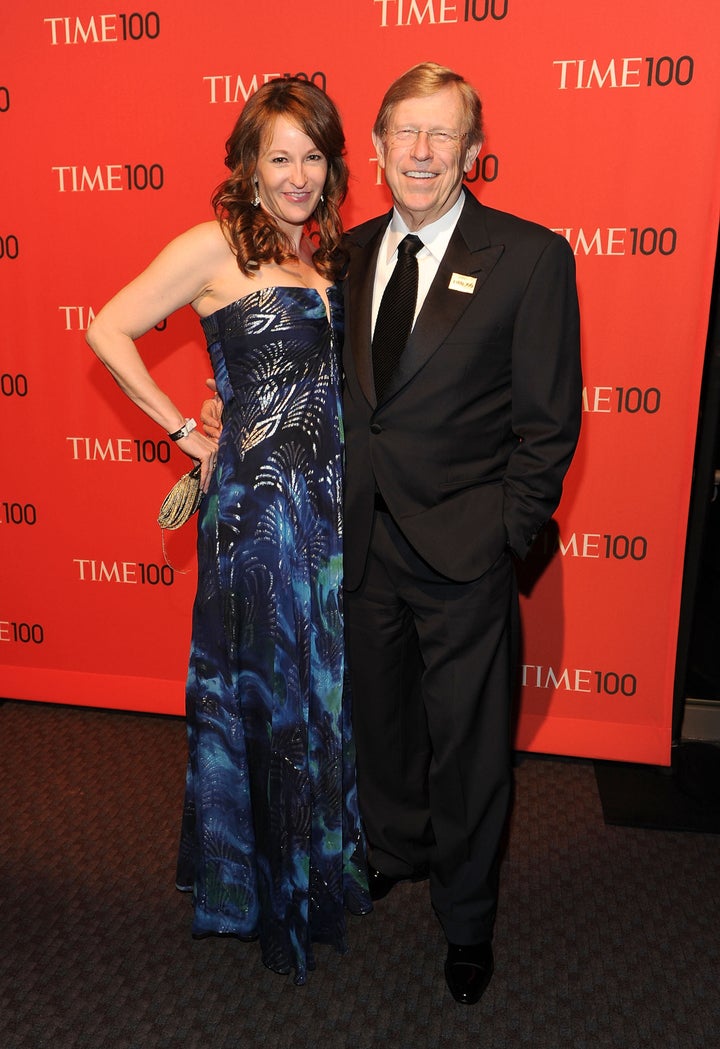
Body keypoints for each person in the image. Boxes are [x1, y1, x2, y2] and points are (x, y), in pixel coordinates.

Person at [203, 62, 582, 1005]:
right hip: (357, 546)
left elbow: (549, 423)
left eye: (441, 135)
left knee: (470, 749)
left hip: (465, 556)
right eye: (403, 134)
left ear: (473, 150)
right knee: (377, 729)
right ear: (371, 152)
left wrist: (504, 533)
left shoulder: (531, 258)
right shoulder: (344, 254)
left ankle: (466, 918)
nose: (420, 153)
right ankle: (396, 848)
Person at [86, 77, 371, 986]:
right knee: (271, 694)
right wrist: (183, 427)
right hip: (259, 516)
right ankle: (267, 893)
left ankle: (312, 872)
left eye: (312, 156)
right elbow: (109, 326)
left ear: (332, 168)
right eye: (278, 156)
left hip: (327, 513)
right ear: (248, 165)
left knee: (320, 690)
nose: (296, 175)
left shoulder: (329, 260)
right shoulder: (213, 246)